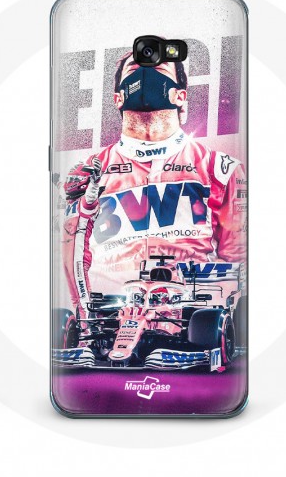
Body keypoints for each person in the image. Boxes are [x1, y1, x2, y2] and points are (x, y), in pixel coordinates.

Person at [61, 51, 247, 321]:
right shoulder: (89, 172)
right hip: (109, 319)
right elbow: (73, 250)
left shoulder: (220, 169)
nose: (145, 72)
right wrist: (83, 317)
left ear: (180, 96)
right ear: (118, 98)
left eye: (158, 68)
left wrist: (220, 320)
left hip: (190, 319)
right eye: (135, 68)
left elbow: (237, 261)